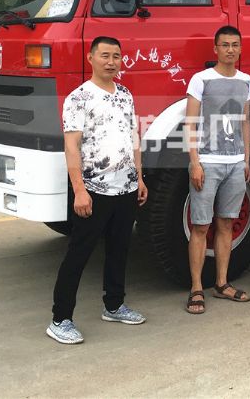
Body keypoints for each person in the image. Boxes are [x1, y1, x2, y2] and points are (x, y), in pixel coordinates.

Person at [46, 36, 148, 344]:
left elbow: (133, 139)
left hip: (126, 187)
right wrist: (79, 190)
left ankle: (114, 305)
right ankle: (60, 319)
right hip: (94, 189)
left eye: (116, 56)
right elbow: (71, 146)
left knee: (119, 249)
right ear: (90, 58)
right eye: (105, 55)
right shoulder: (79, 98)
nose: (111, 61)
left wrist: (139, 178)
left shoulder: (125, 95)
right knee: (79, 254)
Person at [184, 26, 250, 313]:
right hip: (207, 162)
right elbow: (190, 123)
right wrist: (195, 162)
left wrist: (246, 159)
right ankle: (196, 288)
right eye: (225, 45)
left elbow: (245, 122)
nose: (230, 50)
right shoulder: (201, 80)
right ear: (215, 48)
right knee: (201, 226)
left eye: (235, 45)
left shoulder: (246, 81)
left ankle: (222, 283)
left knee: (226, 224)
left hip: (235, 164)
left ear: (240, 49)